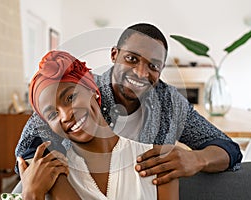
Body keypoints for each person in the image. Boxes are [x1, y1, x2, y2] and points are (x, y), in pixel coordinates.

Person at [15, 23, 242, 185]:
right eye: (132, 59)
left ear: (161, 71)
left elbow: (228, 149)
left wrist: (198, 158)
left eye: (153, 66)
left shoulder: (170, 103)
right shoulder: (80, 89)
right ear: (115, 54)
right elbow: (27, 151)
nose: (141, 73)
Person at [17, 50, 179, 199]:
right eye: (52, 114)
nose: (66, 115)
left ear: (92, 90)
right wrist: (32, 194)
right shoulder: (51, 176)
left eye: (70, 98)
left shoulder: (157, 162)